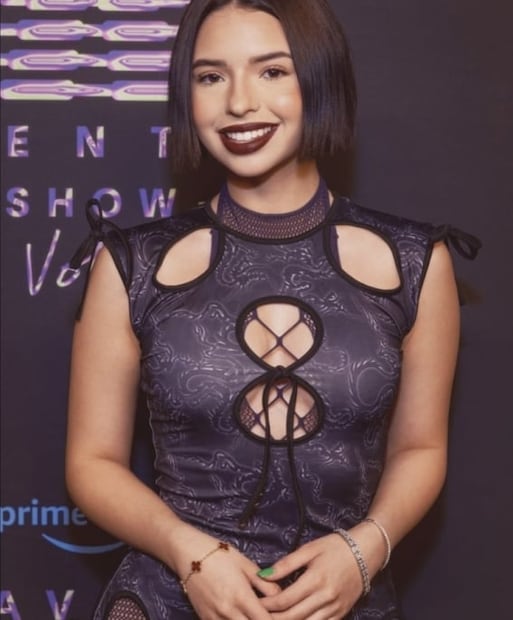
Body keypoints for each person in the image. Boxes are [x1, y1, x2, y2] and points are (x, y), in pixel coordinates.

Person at [65, 1, 480, 619]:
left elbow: (420, 447)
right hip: (169, 595)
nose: (239, 103)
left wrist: (364, 551)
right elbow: (91, 462)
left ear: (319, 78)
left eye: (272, 71)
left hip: (342, 598)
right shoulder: (133, 263)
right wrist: (191, 556)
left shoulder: (415, 261)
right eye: (211, 76)